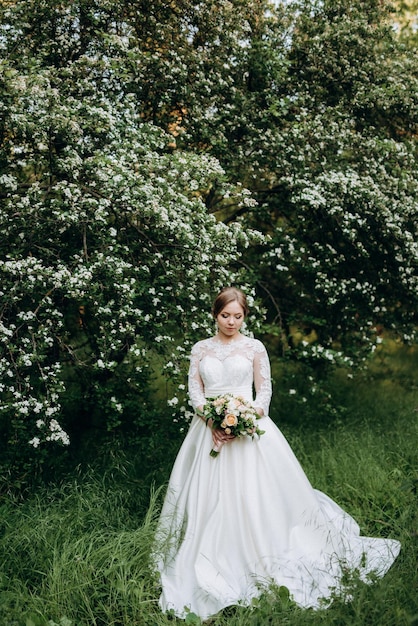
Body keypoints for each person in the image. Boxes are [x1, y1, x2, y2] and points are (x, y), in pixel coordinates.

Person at [154, 286, 400, 620]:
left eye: (238, 316)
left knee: (258, 496)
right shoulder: (201, 349)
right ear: (215, 314)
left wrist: (246, 415)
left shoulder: (254, 347)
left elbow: (264, 389)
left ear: (245, 316)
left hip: (250, 429)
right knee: (204, 496)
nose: (231, 322)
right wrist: (211, 416)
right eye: (225, 315)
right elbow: (195, 389)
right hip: (207, 430)